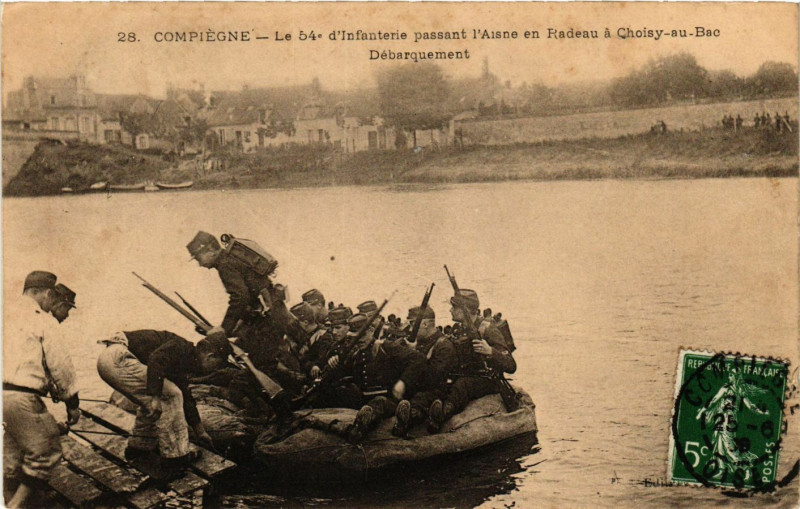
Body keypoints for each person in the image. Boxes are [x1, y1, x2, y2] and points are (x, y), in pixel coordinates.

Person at [187, 231, 291, 417]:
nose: (199, 263)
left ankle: (285, 413)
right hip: (272, 317)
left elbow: (240, 298)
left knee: (256, 372)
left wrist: (224, 329)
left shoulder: (225, 264)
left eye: (198, 257)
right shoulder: (231, 261)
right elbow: (248, 301)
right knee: (260, 366)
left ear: (210, 250)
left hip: (268, 321)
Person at [96, 329, 225, 479]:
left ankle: (139, 447)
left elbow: (186, 396)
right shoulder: (181, 347)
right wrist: (155, 395)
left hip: (111, 360)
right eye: (217, 365)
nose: (215, 369)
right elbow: (156, 359)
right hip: (118, 359)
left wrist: (200, 430)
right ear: (211, 356)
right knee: (171, 395)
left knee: (163, 397)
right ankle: (175, 459)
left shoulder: (185, 360)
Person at [4, 271, 81, 508]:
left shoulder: (6, 312)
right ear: (47, 293)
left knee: (14, 451)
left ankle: (23, 499)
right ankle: (15, 505)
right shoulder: (42, 319)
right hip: (21, 397)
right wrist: (72, 403)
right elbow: (61, 365)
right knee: (46, 451)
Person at [427, 289, 516, 433]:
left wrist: (491, 352)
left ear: (466, 310)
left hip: (487, 380)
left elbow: (511, 365)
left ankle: (440, 416)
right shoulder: (461, 329)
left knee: (463, 385)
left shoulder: (488, 329)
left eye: (454, 307)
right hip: (467, 376)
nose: (451, 310)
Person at [339, 314, 427, 443]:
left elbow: (418, 359)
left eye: (361, 336)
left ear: (370, 331)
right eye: (355, 338)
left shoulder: (386, 347)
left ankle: (359, 427)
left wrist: (403, 382)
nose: (359, 341)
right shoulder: (356, 353)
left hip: (388, 399)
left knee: (379, 402)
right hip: (362, 399)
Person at [392, 305, 458, 438]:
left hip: (435, 391)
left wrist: (414, 353)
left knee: (420, 401)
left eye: (412, 324)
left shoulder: (444, 345)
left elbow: (432, 379)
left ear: (425, 324)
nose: (410, 329)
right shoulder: (419, 342)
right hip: (415, 389)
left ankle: (408, 420)